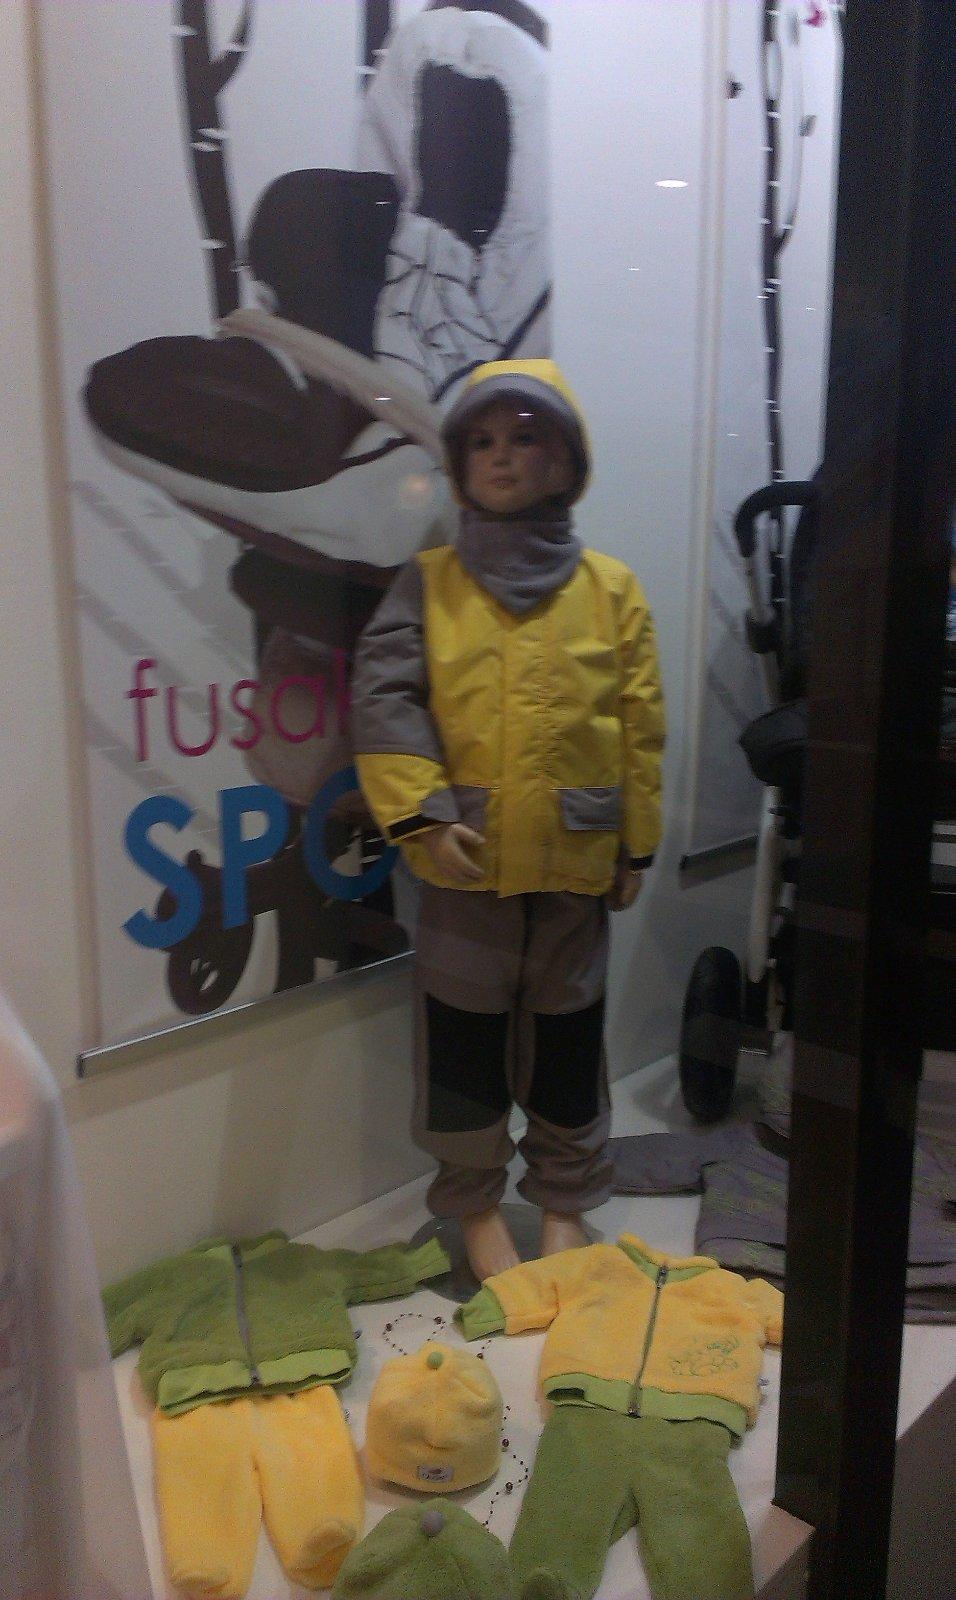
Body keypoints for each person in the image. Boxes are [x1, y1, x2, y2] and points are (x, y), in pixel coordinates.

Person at [352, 359, 664, 1282]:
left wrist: (637, 843)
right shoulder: (429, 584)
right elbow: (386, 701)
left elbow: (639, 726)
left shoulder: (611, 589)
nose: (502, 456)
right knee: (463, 1049)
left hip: (576, 864)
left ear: (567, 461)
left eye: (526, 437)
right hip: (465, 867)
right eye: (482, 440)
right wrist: (419, 815)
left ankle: (565, 1201)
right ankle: (476, 1207)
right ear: (457, 466)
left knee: (570, 1043)